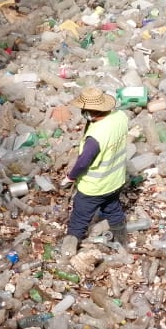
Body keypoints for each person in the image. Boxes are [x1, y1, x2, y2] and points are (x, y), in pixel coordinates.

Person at [60, 86, 129, 256]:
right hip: (115, 180)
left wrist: (70, 177)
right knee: (113, 210)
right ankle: (123, 243)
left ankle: (67, 255)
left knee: (78, 221)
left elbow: (84, 162)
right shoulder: (120, 117)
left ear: (91, 112)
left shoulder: (96, 136)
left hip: (94, 187)